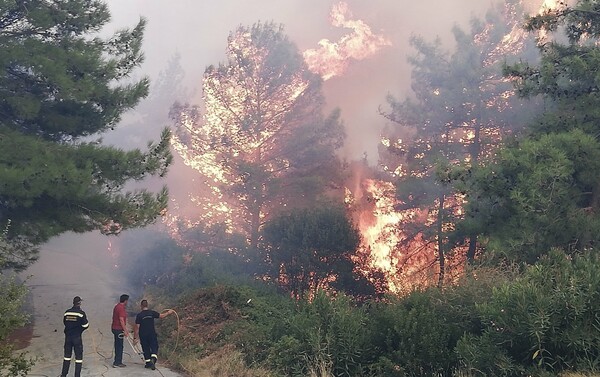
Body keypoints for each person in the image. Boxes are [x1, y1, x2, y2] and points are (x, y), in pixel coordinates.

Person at [133, 299, 175, 370]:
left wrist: (135, 338)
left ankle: (148, 363)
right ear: (147, 305)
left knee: (145, 348)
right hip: (151, 333)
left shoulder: (139, 315)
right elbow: (161, 316)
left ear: (141, 306)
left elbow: (137, 327)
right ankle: (153, 359)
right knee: (154, 346)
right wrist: (169, 312)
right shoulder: (152, 313)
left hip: (143, 335)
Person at [61, 296, 89, 377]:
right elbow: (86, 325)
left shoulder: (67, 312)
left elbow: (65, 322)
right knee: (79, 358)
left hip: (68, 337)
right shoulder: (81, 313)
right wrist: (79, 330)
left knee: (67, 357)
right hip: (77, 337)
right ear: (79, 303)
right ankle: (77, 375)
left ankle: (63, 374)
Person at [111, 294, 130, 368]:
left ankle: (117, 361)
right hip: (118, 329)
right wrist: (125, 330)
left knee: (117, 345)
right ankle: (117, 362)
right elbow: (121, 319)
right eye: (127, 301)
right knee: (119, 346)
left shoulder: (117, 306)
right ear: (125, 301)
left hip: (115, 328)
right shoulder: (121, 308)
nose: (127, 302)